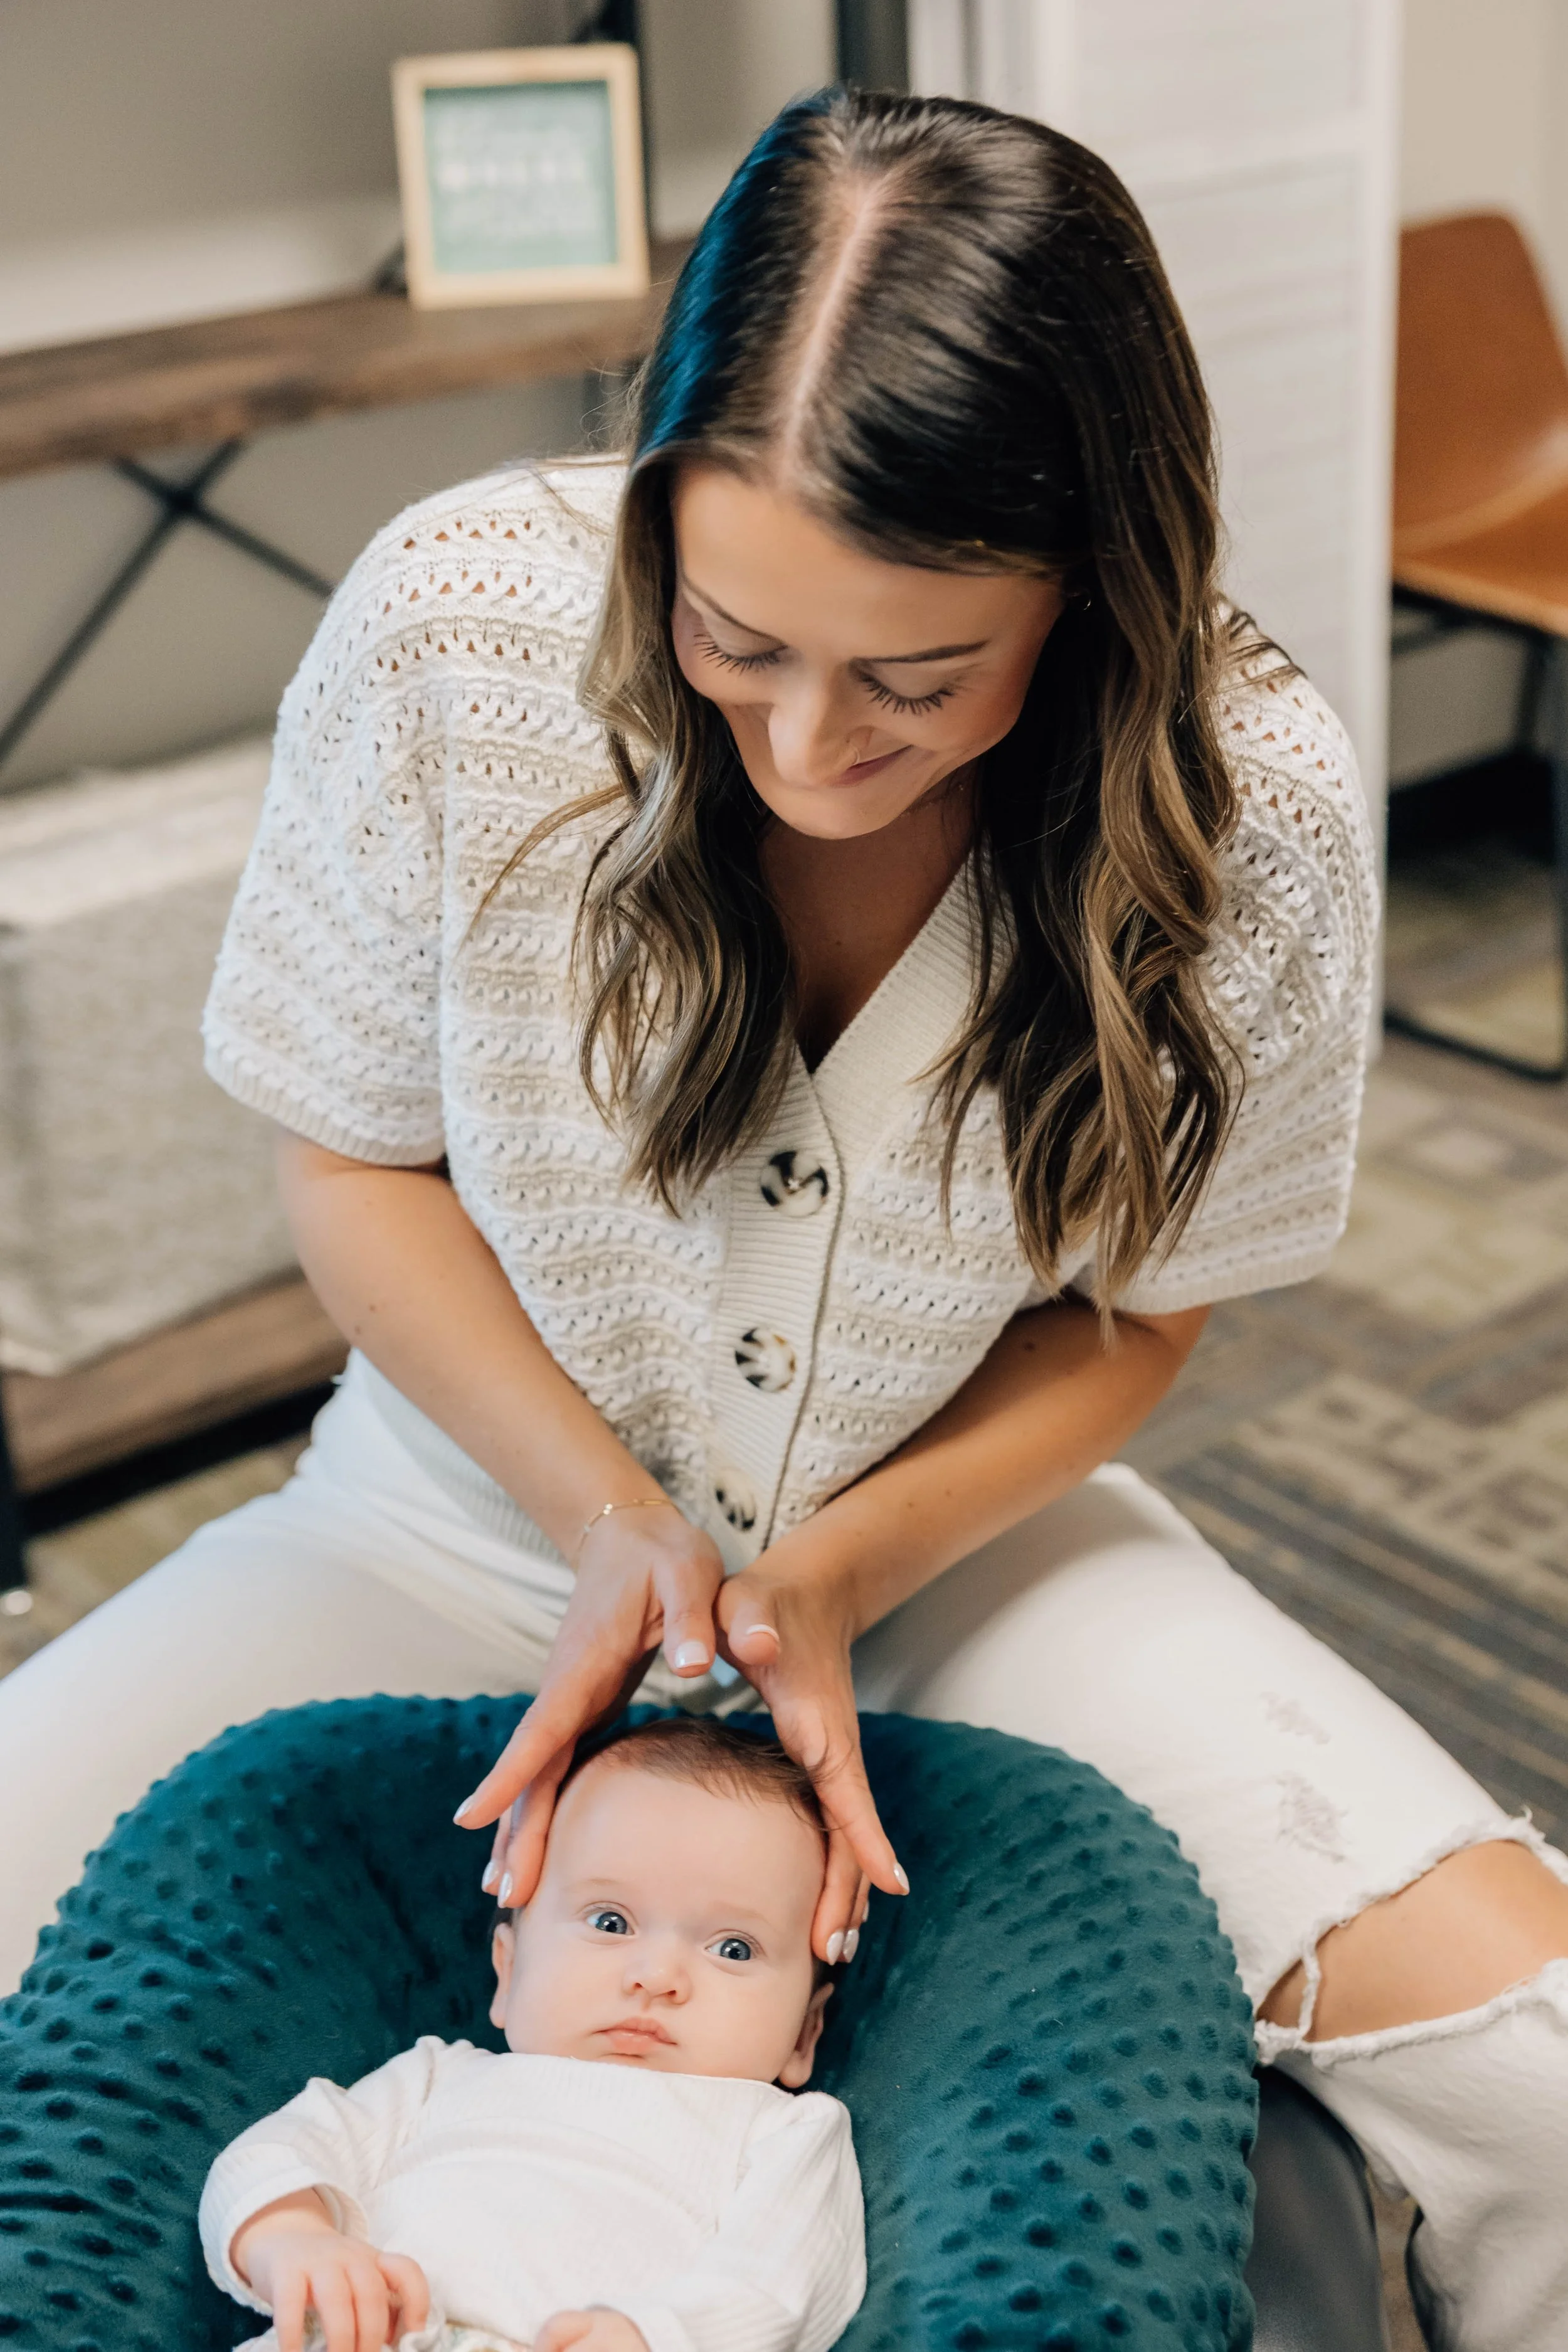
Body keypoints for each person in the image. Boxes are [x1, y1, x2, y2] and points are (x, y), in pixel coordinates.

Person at [1, 83, 1565, 2348]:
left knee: (1532, 2069)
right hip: (453, 1510)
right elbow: (346, 1159)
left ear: (1093, 587)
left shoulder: (1255, 799)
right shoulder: (458, 628)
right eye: (734, 640)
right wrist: (607, 1511)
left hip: (947, 1540)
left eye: (916, 677)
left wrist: (838, 1560)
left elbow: (1141, 1318)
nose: (810, 742)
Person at [201, 1719, 862, 2352]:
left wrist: (658, 2337)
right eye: (609, 1922)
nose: (657, 1976)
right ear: (508, 1975)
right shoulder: (435, 2079)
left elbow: (786, 2283)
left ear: (804, 2035)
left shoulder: (780, 2131)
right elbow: (273, 2154)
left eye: (734, 1948)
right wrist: (292, 2238)